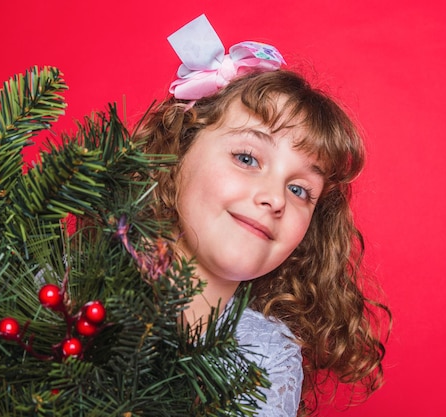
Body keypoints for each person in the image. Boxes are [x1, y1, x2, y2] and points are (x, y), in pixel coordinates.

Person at [135, 15, 389, 416]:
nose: (275, 199)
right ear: (176, 151)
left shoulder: (270, 360)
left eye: (299, 189)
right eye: (247, 157)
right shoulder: (63, 289)